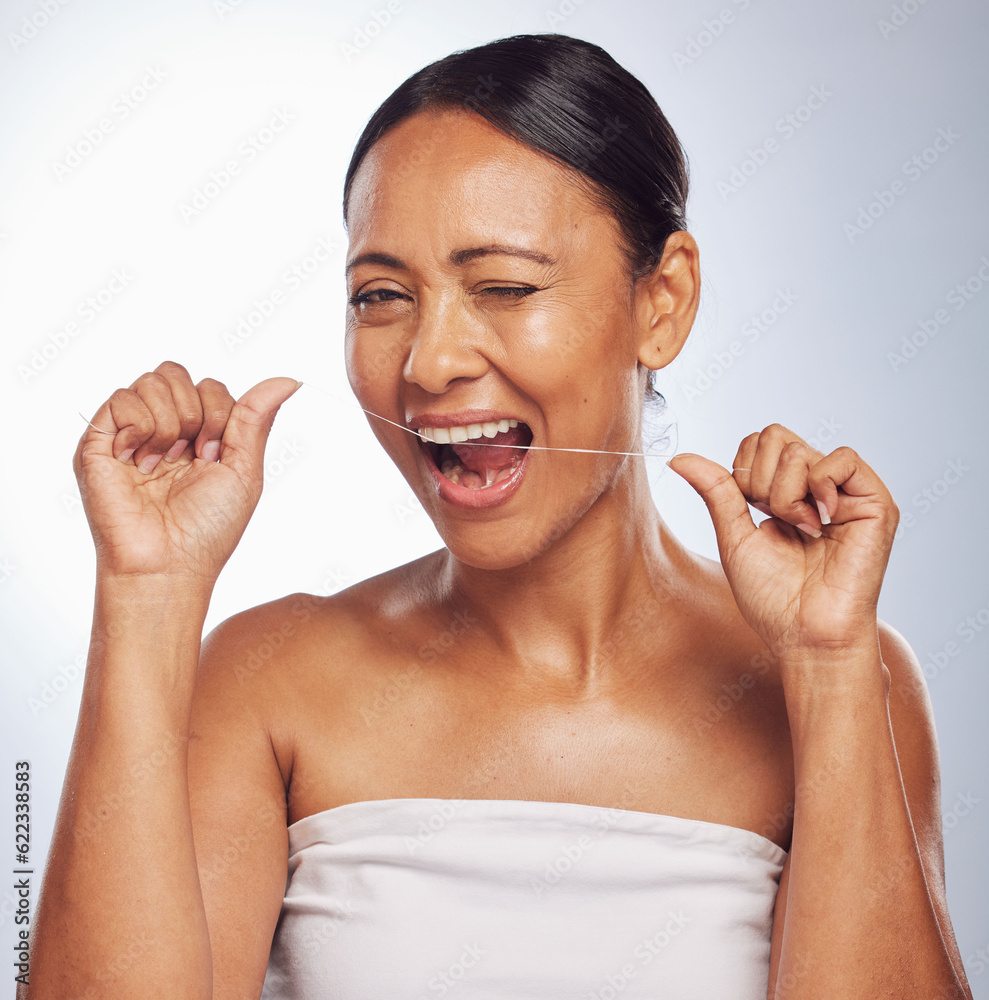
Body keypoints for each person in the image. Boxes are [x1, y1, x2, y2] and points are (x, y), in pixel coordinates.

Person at [24, 33, 972, 1000]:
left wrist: (825, 665)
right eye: (381, 295)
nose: (430, 363)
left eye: (505, 287)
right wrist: (146, 597)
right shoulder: (266, 682)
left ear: (664, 301)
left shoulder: (845, 676)